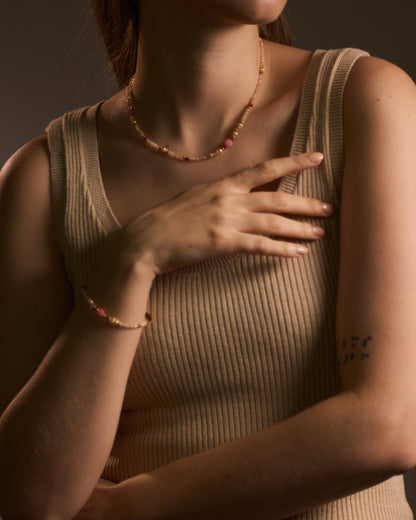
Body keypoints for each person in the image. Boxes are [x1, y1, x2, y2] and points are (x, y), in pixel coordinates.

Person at [0, 0, 415, 518]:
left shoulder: (364, 99)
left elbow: (389, 426)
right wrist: (132, 260)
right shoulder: (44, 180)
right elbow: (30, 499)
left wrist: (125, 509)